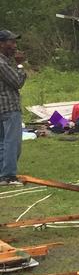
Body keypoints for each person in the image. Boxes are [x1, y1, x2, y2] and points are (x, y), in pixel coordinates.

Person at [0, 30, 26, 183]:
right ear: (1, 44)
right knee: (12, 142)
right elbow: (17, 82)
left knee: (3, 142)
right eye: (12, 42)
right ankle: (8, 175)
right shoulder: (2, 63)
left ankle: (3, 174)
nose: (15, 46)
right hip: (8, 107)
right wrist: (20, 65)